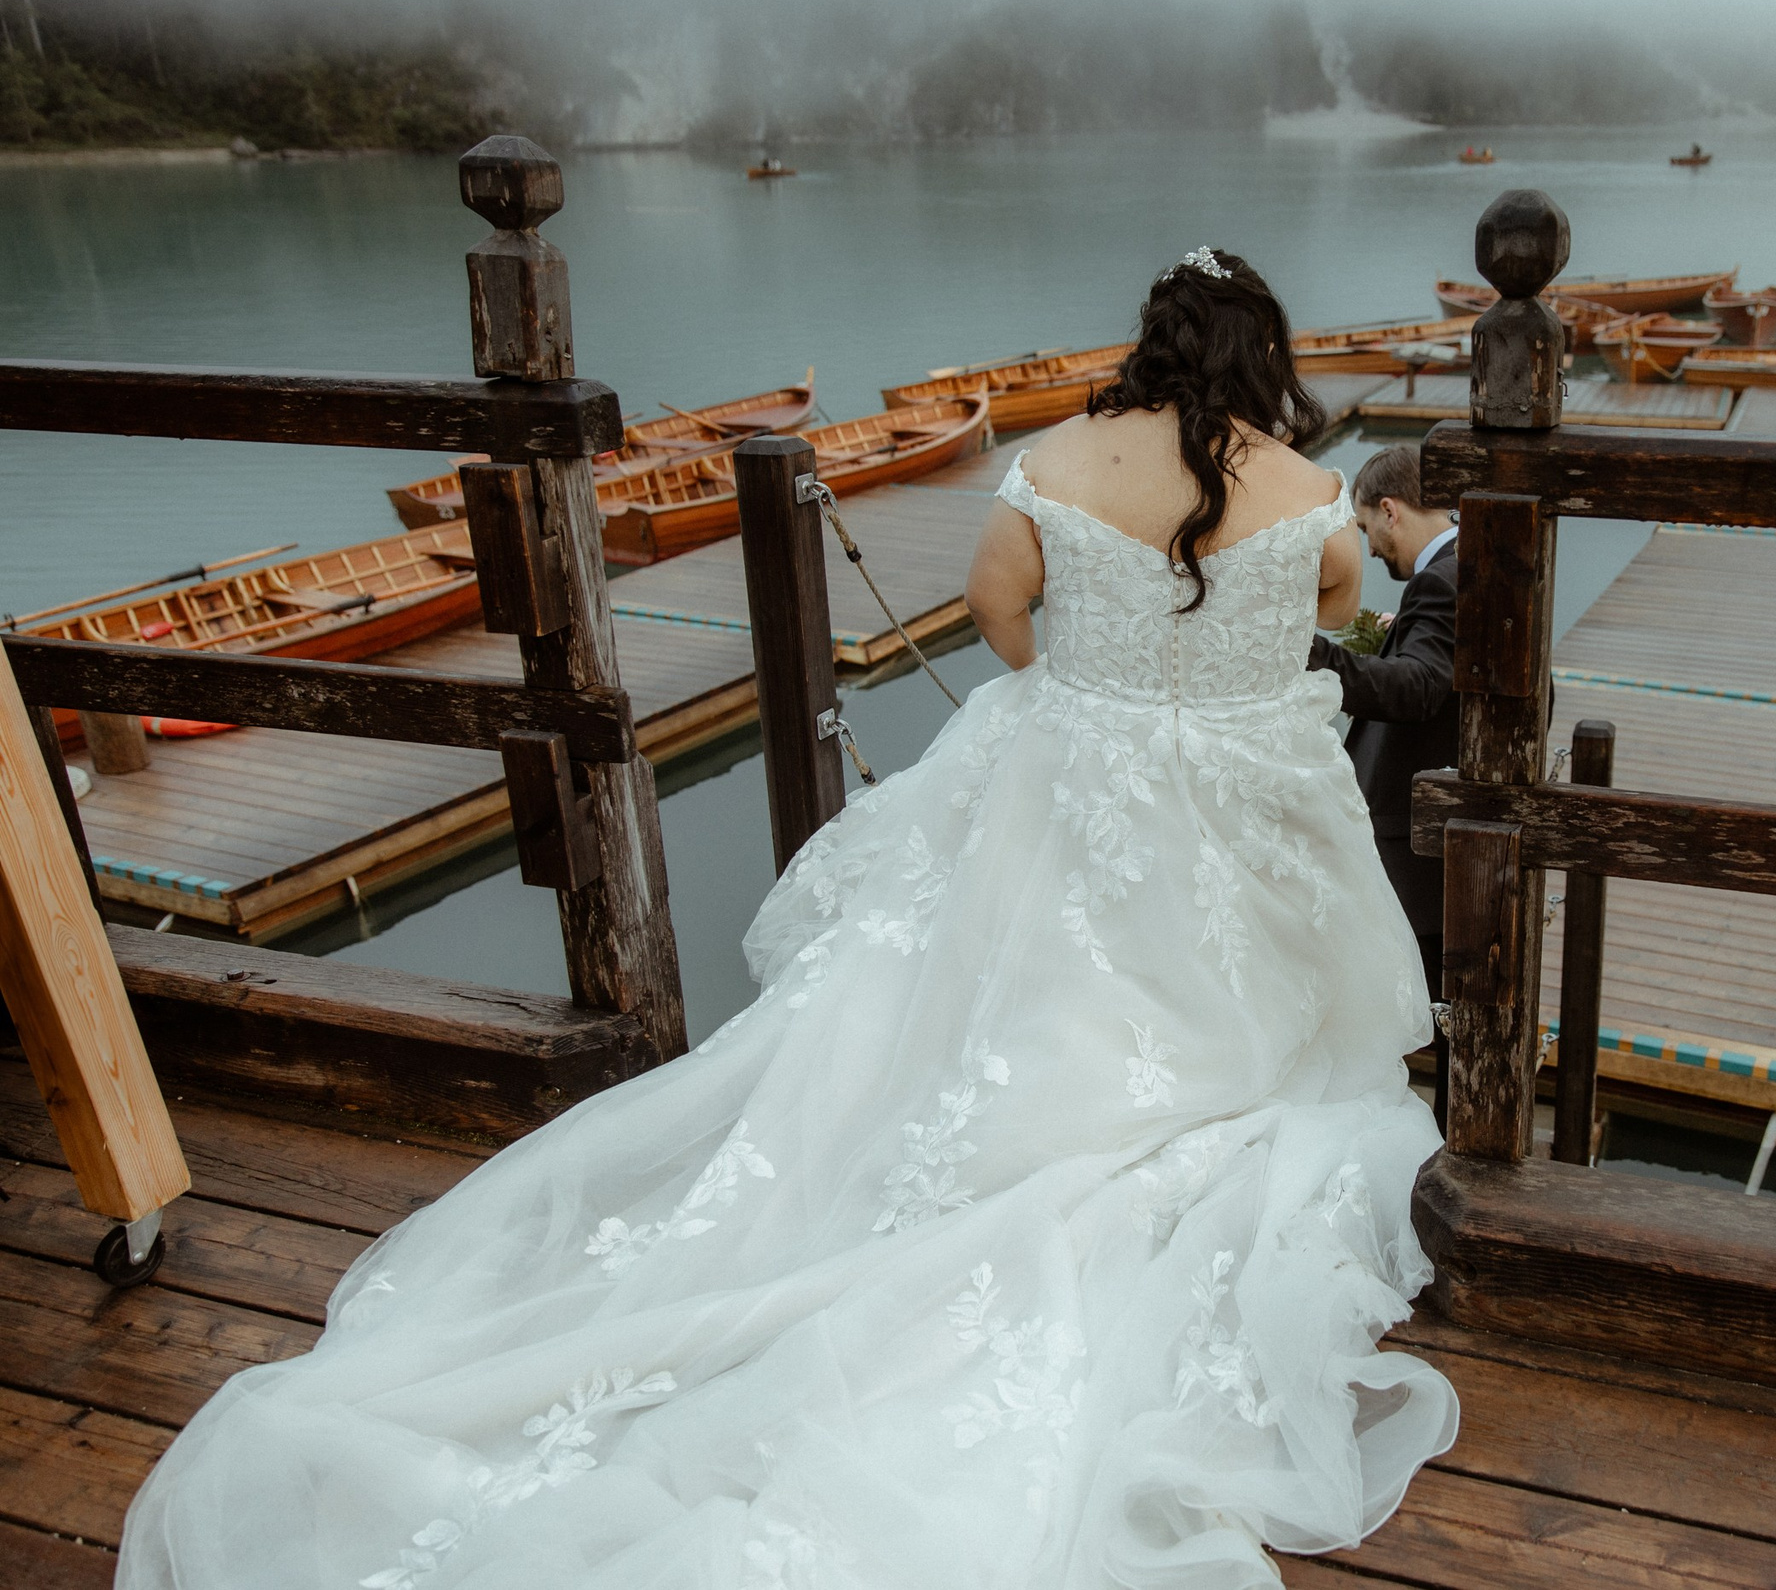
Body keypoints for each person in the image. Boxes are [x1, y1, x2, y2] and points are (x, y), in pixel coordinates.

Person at [117, 248, 1458, 1590]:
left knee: (977, 1010)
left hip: (1067, 784)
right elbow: (1323, 613)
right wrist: (1197, 695)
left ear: (1155, 343)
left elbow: (997, 603)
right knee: (1248, 1041)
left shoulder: (1060, 461)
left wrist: (1090, 703)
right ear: (1258, 355)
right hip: (1238, 805)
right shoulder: (1315, 499)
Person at [1305, 446, 1458, 1000]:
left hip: (1418, 847)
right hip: (1445, 831)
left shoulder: (1441, 581)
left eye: (1369, 526)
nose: (1369, 548)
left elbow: (1418, 688)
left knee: (1418, 1002)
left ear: (1391, 510)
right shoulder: (1468, 562)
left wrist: (1314, 655)